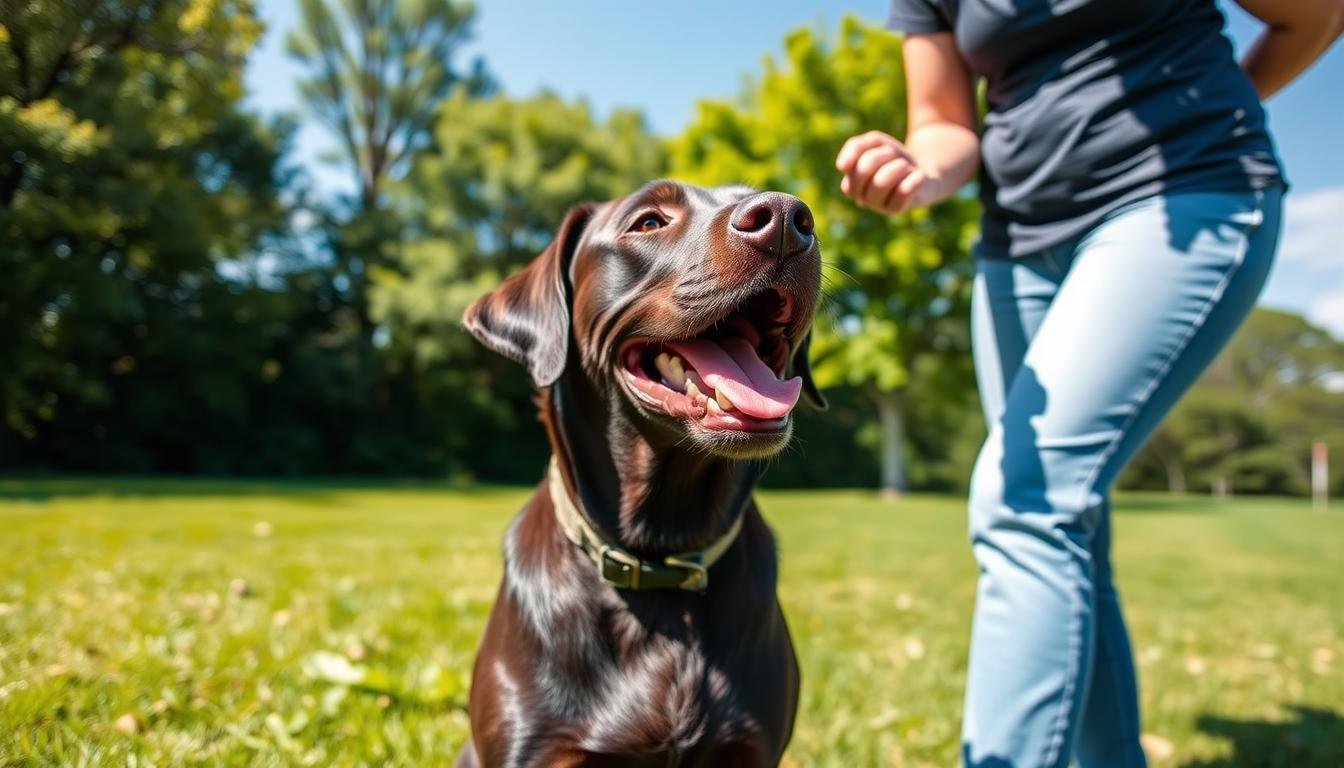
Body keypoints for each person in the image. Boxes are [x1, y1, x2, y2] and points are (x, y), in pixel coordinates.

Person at [835, 1, 1343, 765]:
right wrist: (920, 169)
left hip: (1183, 191)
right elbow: (943, 121)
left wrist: (1204, 106)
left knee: (1025, 501)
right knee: (1066, 523)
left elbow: (1314, 16)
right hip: (1019, 246)